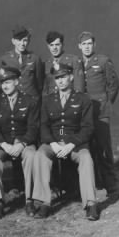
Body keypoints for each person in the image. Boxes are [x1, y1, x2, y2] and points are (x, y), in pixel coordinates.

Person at [33, 63, 99, 220]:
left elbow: (88, 127)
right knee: (40, 155)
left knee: (86, 158)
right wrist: (53, 144)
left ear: (70, 77)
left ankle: (91, 204)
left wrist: (71, 144)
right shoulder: (48, 100)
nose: (60, 81)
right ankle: (44, 203)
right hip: (53, 143)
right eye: (57, 78)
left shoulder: (83, 99)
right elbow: (43, 125)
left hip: (75, 144)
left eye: (63, 77)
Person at [0, 66, 39, 219]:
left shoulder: (30, 101)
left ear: (17, 82)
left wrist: (21, 144)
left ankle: (29, 199)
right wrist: (4, 145)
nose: (5, 86)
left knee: (31, 156)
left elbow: (33, 127)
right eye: (2, 83)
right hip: (3, 144)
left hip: (23, 143)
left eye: (8, 82)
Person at [78, 31, 119, 195]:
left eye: (90, 43)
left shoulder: (103, 61)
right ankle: (96, 182)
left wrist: (106, 102)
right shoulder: (77, 63)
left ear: (94, 45)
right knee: (89, 147)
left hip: (100, 112)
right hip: (84, 113)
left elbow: (114, 84)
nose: (87, 47)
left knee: (103, 147)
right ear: (79, 46)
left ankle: (110, 183)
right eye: (84, 44)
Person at [0, 25, 44, 100]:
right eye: (19, 40)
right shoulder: (5, 59)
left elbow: (39, 83)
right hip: (14, 101)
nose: (22, 43)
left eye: (25, 40)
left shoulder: (35, 59)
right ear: (13, 41)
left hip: (32, 100)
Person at [43, 31, 84, 96]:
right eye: (51, 45)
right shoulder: (46, 63)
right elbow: (45, 88)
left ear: (62, 45)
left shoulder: (74, 60)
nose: (54, 48)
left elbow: (79, 87)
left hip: (69, 100)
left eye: (57, 44)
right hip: (52, 102)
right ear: (48, 46)